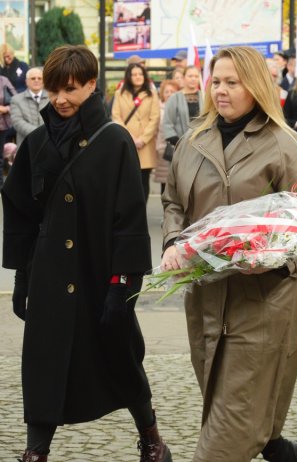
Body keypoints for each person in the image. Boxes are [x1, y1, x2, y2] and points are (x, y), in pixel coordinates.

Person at [1, 44, 170, 462]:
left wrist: (124, 283)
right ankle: (35, 451)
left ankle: (151, 437)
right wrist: (24, 278)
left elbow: (129, 216)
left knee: (120, 357)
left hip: (101, 273)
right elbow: (21, 212)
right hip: (51, 275)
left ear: (92, 85)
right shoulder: (37, 142)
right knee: (45, 361)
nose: (60, 99)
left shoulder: (114, 141)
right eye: (55, 89)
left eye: (71, 89)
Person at [161, 45, 297, 462]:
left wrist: (268, 254)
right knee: (220, 392)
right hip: (206, 297)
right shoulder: (193, 140)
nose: (221, 90)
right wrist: (174, 242)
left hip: (263, 297)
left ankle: (261, 443)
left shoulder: (284, 144)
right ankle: (276, 447)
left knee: (230, 421)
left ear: (256, 86)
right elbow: (173, 200)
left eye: (233, 82)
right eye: (217, 81)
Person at [111, 62, 161, 202]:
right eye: (134, 74)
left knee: (143, 180)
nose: (138, 77)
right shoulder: (119, 94)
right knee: (126, 179)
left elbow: (154, 118)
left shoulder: (151, 94)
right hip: (126, 141)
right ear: (129, 76)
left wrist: (142, 139)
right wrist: (130, 137)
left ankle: (142, 211)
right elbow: (116, 116)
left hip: (145, 144)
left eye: (140, 74)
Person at [163, 65, 202, 152]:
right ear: (184, 78)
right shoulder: (174, 98)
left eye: (196, 76)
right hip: (180, 146)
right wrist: (178, 142)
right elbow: (167, 123)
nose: (193, 79)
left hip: (202, 145)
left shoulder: (205, 96)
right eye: (190, 76)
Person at [153, 79, 180, 195]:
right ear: (162, 94)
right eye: (166, 91)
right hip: (163, 151)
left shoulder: (181, 108)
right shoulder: (158, 109)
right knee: (165, 186)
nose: (169, 94)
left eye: (172, 91)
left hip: (179, 150)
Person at [10, 67, 48, 149]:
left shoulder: (51, 99)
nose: (36, 80)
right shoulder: (16, 99)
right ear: (26, 81)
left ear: (44, 81)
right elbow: (17, 122)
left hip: (48, 145)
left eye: (39, 78)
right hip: (26, 146)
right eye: (33, 78)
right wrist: (40, 133)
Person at [0, 72, 16, 185]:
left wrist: (6, 109)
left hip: (2, 126)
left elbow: (17, 100)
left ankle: (0, 184)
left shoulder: (4, 80)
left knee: (0, 157)